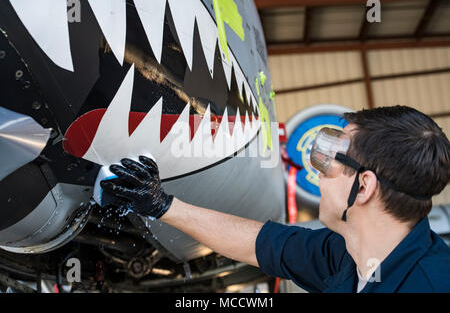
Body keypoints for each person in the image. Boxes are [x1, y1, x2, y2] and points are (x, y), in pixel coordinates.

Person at [100, 105, 450, 293]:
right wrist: (161, 204)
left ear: (364, 186)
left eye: (328, 163)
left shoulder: (433, 284)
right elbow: (258, 243)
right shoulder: (344, 255)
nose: (317, 176)